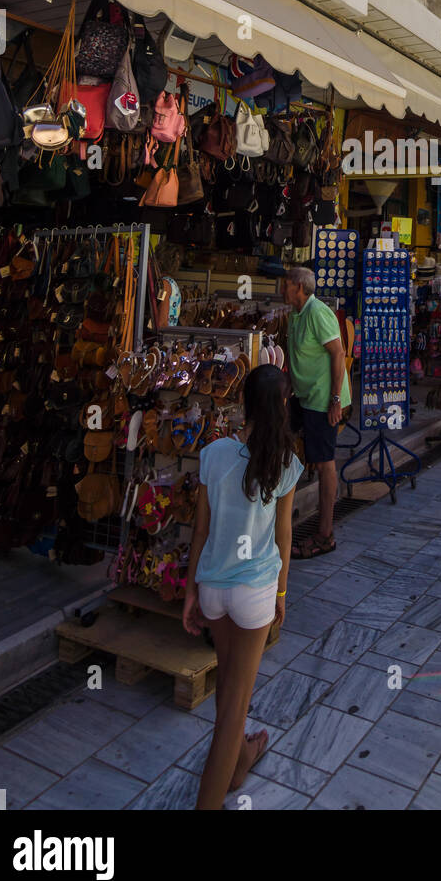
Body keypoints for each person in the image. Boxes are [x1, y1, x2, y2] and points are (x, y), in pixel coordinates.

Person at [183, 366, 304, 810]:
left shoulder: (214, 454)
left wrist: (193, 592)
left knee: (229, 694)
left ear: (244, 404)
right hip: (254, 593)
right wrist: (282, 594)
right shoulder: (287, 465)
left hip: (214, 588)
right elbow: (283, 538)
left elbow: (200, 532)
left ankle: (239, 764)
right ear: (283, 406)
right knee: (234, 709)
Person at [283, 267, 351, 558]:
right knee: (286, 448)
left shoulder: (318, 312)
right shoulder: (295, 314)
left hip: (323, 400)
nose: (282, 289)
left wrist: (335, 400)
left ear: (299, 287)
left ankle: (325, 535)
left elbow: (338, 353)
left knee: (325, 465)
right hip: (302, 397)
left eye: (286, 284)